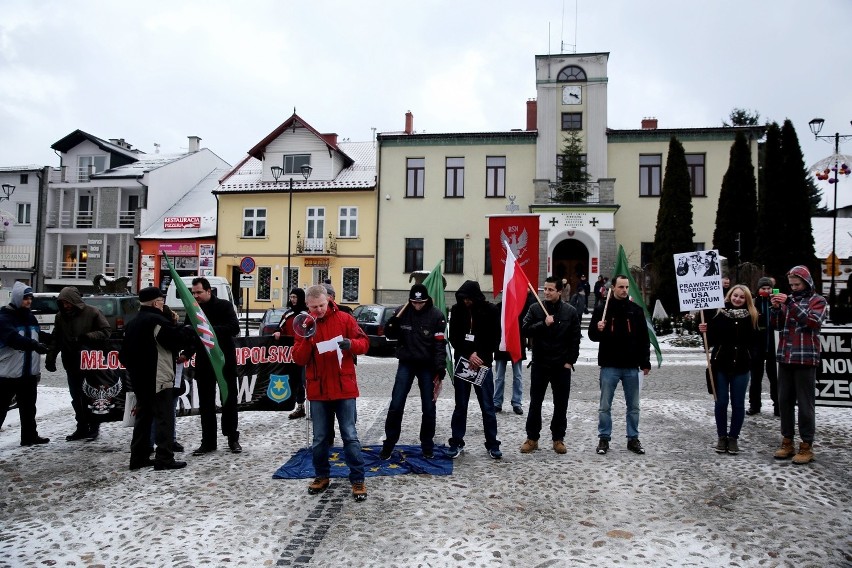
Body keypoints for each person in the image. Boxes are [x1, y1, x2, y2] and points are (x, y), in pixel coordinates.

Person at [291, 285, 370, 501]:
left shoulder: (345, 319)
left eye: (321, 305)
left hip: (343, 388)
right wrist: (307, 338)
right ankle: (321, 475)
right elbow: (298, 359)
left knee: (350, 435)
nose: (318, 310)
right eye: (314, 307)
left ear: (329, 301)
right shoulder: (303, 324)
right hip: (318, 390)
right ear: (307, 306)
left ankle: (357, 479)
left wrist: (350, 344)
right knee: (320, 438)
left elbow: (365, 344)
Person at [120, 287, 193, 470]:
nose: (163, 304)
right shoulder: (157, 321)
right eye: (161, 300)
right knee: (164, 418)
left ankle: (138, 458)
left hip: (139, 378)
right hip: (159, 377)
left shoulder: (133, 323)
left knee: (143, 419)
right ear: (155, 303)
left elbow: (123, 355)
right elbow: (175, 341)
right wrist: (186, 331)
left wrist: (135, 369)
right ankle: (164, 458)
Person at [378, 283, 447, 460]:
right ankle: (389, 443)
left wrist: (441, 366)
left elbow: (440, 343)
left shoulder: (437, 315)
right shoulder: (402, 311)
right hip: (406, 363)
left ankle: (427, 445)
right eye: (414, 302)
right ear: (410, 300)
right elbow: (390, 335)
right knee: (396, 404)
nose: (417, 305)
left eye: (421, 302)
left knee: (429, 407)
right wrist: (391, 324)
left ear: (426, 300)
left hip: (427, 365)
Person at [588, 274, 651, 456]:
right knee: (605, 405)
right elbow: (593, 335)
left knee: (633, 406)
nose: (624, 290)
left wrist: (645, 362)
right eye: (621, 287)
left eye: (626, 287)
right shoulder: (603, 309)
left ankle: (633, 438)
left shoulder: (635, 310)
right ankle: (604, 437)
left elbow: (643, 339)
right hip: (609, 365)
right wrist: (598, 328)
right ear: (613, 288)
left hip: (631, 366)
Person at [770, 266, 826, 465]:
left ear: (807, 282)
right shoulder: (789, 301)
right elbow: (776, 325)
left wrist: (789, 303)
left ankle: (806, 445)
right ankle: (787, 441)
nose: (793, 288)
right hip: (785, 357)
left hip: (806, 358)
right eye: (791, 285)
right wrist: (776, 309)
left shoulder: (818, 301)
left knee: (805, 404)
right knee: (784, 401)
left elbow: (812, 322)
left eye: (797, 284)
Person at [519, 277, 581, 454]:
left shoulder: (570, 312)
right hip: (540, 363)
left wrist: (570, 361)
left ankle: (558, 438)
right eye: (545, 289)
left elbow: (575, 339)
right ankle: (532, 438)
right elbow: (524, 329)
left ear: (560, 292)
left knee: (561, 404)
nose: (546, 292)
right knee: (535, 403)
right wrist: (543, 324)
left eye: (550, 290)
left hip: (561, 365)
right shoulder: (535, 308)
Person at [45, 286, 111, 441]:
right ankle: (81, 426)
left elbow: (106, 331)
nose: (66, 306)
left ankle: (94, 427)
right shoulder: (60, 317)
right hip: (71, 362)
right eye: (63, 303)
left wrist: (87, 337)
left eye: (68, 302)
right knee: (76, 397)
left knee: (90, 396)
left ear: (75, 301)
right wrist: (51, 357)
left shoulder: (93, 312)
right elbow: (56, 338)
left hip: (90, 363)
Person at [698, 285, 758, 455]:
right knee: (721, 402)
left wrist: (751, 357)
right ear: (729, 296)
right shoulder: (719, 314)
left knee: (738, 403)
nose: (737, 299)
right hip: (721, 365)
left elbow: (755, 341)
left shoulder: (752, 316)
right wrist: (704, 331)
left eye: (741, 297)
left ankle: (733, 438)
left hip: (741, 366)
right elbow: (710, 341)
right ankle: (721, 436)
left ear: (746, 300)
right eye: (735, 295)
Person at [447, 280, 502, 459]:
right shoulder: (456, 310)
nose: (466, 302)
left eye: (469, 299)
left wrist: (480, 355)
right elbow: (454, 337)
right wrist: (469, 354)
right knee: (460, 405)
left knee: (487, 406)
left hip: (483, 364)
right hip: (464, 362)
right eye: (463, 299)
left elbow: (495, 338)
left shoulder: (491, 311)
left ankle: (492, 443)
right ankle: (456, 441)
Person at [187, 277, 242, 456]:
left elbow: (234, 328)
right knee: (206, 404)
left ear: (209, 291)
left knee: (229, 401)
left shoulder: (224, 306)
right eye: (193, 293)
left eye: (199, 292)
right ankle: (208, 441)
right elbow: (191, 335)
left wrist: (208, 330)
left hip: (224, 361)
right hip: (204, 363)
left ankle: (232, 438)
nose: (196, 296)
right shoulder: (193, 309)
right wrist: (186, 353)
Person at [0, 283, 50, 446]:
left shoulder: (29, 316)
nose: (28, 301)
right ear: (16, 298)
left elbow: (35, 335)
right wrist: (35, 346)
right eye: (25, 298)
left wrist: (51, 339)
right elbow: (14, 339)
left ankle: (29, 436)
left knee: (29, 408)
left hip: (28, 373)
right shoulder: (4, 318)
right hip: (8, 374)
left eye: (30, 298)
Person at [493, 291, 534, 415]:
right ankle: (497, 402)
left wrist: (528, 293)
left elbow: (529, 317)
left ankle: (517, 402)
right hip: (502, 344)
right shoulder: (498, 307)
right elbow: (494, 326)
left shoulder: (521, 307)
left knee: (518, 376)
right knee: (499, 376)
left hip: (517, 343)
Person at [273, 288, 309, 419]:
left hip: (305, 353)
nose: (293, 299)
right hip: (290, 354)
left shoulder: (307, 315)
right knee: (296, 380)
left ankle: (314, 407)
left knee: (305, 380)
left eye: (295, 297)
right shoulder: (287, 315)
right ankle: (300, 406)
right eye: (291, 297)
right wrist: (277, 332)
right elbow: (279, 327)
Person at [748, 277, 778, 416]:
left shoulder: (777, 303)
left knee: (775, 378)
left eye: (768, 288)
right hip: (757, 347)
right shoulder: (753, 303)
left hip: (773, 347)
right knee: (755, 378)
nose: (766, 291)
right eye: (763, 288)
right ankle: (754, 405)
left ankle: (778, 405)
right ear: (758, 290)